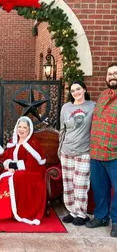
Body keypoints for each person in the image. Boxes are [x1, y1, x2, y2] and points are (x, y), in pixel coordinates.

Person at [0, 116, 47, 225]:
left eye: (24, 128)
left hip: (32, 172)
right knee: (5, 176)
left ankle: (19, 211)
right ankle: (6, 211)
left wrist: (14, 167)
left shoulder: (32, 143)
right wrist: (10, 166)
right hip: (17, 170)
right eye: (20, 127)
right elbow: (7, 156)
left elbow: (31, 164)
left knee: (16, 177)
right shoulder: (13, 141)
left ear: (29, 130)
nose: (21, 130)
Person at [85, 63, 117, 237]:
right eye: (110, 74)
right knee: (100, 187)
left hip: (115, 154)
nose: (112, 76)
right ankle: (101, 216)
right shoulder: (103, 96)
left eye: (116, 73)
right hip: (97, 153)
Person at [59, 81, 95, 226]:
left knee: (80, 184)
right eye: (73, 90)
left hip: (84, 151)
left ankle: (81, 213)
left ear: (84, 89)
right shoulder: (66, 107)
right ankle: (72, 212)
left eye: (78, 89)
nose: (76, 92)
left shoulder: (92, 106)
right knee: (68, 184)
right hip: (66, 150)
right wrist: (59, 149)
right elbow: (62, 129)